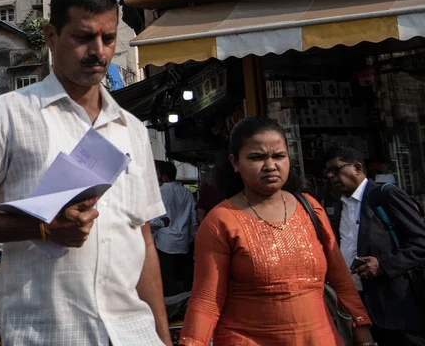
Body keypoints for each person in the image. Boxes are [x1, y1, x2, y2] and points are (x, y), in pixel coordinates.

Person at [0, 0, 170, 345]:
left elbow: (142, 239)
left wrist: (161, 336)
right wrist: (42, 229)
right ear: (51, 35)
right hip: (49, 333)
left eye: (109, 39)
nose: (99, 52)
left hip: (132, 334)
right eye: (83, 37)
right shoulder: (11, 113)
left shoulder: (132, 131)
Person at [179, 117, 374, 346]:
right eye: (257, 157)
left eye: (278, 156)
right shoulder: (221, 221)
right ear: (235, 162)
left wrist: (363, 332)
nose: (270, 165)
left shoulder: (310, 208)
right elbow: (207, 301)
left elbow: (341, 281)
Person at [324, 145, 425, 346]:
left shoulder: (384, 196)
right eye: (327, 172)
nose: (330, 176)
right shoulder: (337, 206)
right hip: (358, 305)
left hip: (397, 307)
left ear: (358, 168)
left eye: (336, 170)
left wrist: (384, 266)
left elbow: (421, 241)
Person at [150, 160, 198, 296]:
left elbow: (152, 221)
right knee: (185, 282)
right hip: (184, 244)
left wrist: (162, 223)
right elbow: (193, 219)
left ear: (164, 176)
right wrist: (192, 238)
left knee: (168, 284)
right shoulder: (187, 193)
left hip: (165, 244)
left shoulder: (158, 193)